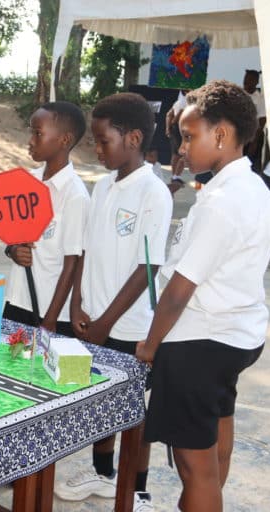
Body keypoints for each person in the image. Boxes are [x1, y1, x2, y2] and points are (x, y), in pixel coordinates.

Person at [137, 80, 270, 512]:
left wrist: (150, 344)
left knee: (193, 466)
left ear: (221, 135)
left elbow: (180, 291)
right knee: (215, 450)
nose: (182, 148)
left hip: (198, 341)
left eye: (189, 136)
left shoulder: (222, 203)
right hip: (235, 335)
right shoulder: (256, 189)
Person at [58, 92, 173, 511]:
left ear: (134, 138)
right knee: (99, 404)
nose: (97, 148)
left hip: (127, 326)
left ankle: (137, 487)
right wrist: (76, 305)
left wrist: (107, 320)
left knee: (131, 414)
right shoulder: (102, 186)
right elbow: (85, 251)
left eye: (104, 141)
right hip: (92, 318)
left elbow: (148, 268)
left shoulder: (153, 193)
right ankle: (103, 474)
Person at [2, 101, 89, 336]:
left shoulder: (75, 195)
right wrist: (12, 250)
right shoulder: (25, 181)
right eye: (31, 132)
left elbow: (73, 263)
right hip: (17, 298)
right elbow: (12, 237)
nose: (30, 141)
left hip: (49, 311)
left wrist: (50, 320)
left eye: (38, 133)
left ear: (65, 140)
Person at [242, 69, 267, 173]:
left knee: (248, 165)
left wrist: (255, 142)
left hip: (251, 138)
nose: (246, 82)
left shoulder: (260, 99)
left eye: (249, 80)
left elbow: (262, 120)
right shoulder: (239, 94)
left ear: (256, 82)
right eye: (245, 80)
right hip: (238, 135)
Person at [165, 90, 188, 193]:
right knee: (181, 154)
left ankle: (175, 176)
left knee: (176, 154)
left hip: (177, 128)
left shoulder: (179, 102)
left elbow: (168, 114)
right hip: (180, 127)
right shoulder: (184, 101)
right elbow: (173, 115)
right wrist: (172, 123)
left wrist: (168, 127)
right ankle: (176, 176)